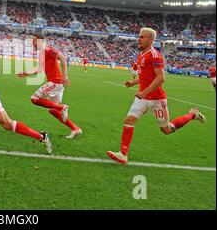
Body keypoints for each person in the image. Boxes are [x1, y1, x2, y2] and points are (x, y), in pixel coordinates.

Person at [106, 28, 206, 164]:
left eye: (142, 37)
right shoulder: (141, 55)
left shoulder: (155, 55)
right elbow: (145, 77)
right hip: (142, 99)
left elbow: (161, 78)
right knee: (129, 121)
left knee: (166, 130)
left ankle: (193, 115)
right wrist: (133, 83)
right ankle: (123, 154)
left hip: (157, 100)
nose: (138, 39)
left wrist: (144, 92)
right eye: (139, 37)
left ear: (150, 40)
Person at [18, 34, 82, 139]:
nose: (32, 43)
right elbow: (39, 69)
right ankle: (75, 129)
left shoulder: (47, 49)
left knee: (34, 99)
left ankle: (62, 107)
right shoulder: (42, 53)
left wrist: (65, 75)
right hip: (57, 84)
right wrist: (26, 73)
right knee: (53, 111)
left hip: (55, 82)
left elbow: (62, 57)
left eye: (34, 41)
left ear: (40, 41)